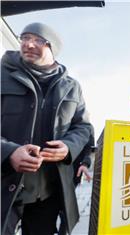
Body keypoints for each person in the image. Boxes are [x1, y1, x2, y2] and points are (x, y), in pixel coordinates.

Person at [1, 22, 92, 235]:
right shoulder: (1, 75)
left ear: (53, 48)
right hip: (4, 186)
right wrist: (8, 152)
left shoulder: (72, 86)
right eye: (25, 38)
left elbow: (83, 126)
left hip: (47, 193)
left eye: (38, 40)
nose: (29, 44)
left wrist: (68, 147)